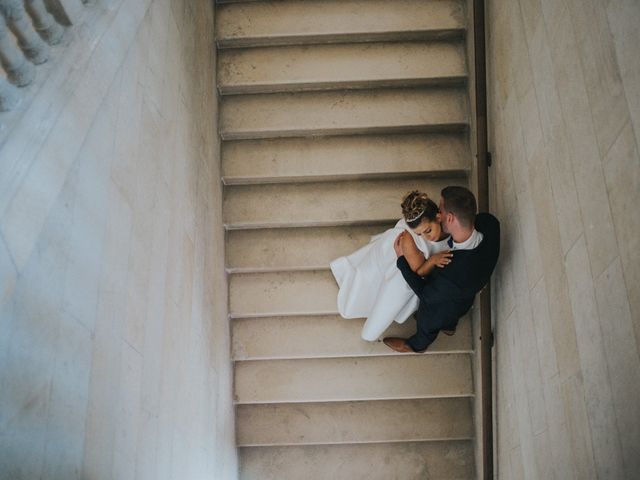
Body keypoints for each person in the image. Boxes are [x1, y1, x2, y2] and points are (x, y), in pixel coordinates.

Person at [383, 186, 500, 353]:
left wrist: (401, 260)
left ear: (450, 218)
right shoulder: (489, 222)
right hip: (468, 291)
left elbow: (425, 294)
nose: (438, 213)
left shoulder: (450, 273)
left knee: (427, 321)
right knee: (457, 309)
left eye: (441, 209)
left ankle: (417, 345)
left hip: (444, 300)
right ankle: (449, 327)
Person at [330, 191, 453, 341]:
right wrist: (433, 260)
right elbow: (418, 273)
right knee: (390, 291)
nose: (427, 237)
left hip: (413, 260)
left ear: (439, 217)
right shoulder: (409, 239)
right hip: (406, 267)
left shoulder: (450, 223)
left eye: (428, 230)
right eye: (420, 234)